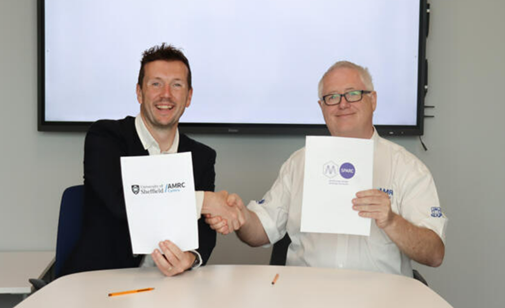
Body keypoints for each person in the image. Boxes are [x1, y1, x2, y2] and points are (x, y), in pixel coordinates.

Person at [207, 61, 447, 277]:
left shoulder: (407, 168)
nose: (342, 104)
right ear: (322, 107)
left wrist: (392, 221)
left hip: (379, 299)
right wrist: (241, 217)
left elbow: (434, 254)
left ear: (373, 100)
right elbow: (261, 230)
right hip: (305, 296)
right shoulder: (299, 163)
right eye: (332, 97)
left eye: (353, 94)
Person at [62, 44, 243, 277]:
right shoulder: (105, 138)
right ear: (139, 92)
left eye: (176, 85)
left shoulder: (202, 157)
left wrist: (190, 258)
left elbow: (203, 233)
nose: (166, 94)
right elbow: (122, 203)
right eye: (156, 83)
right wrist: (205, 201)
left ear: (189, 97)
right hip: (99, 281)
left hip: (172, 284)